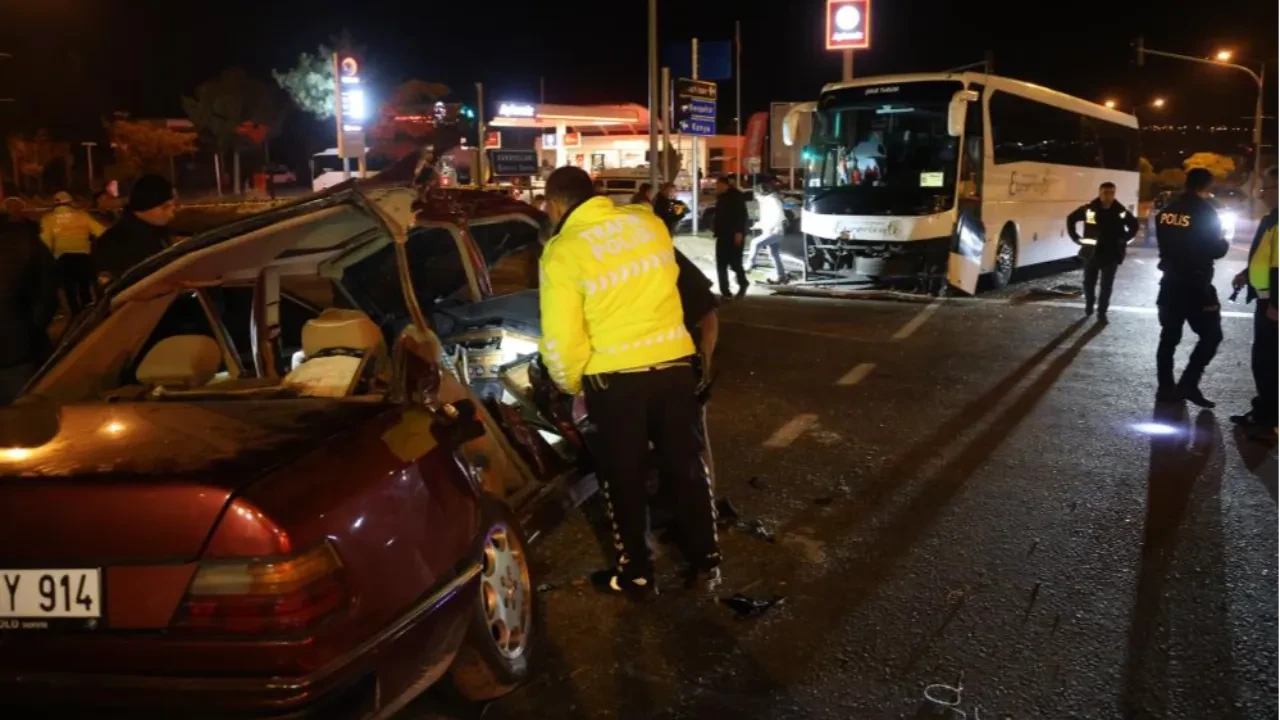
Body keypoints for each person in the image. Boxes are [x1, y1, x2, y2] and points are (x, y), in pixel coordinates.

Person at [538, 166, 722, 598]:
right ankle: (707, 561)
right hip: (673, 366)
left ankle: (637, 574)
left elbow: (562, 338)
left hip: (616, 381)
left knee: (624, 478)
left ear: (554, 205)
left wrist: (570, 384)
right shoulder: (647, 223)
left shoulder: (562, 252)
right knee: (686, 467)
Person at [1154, 168, 1229, 407]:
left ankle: (1165, 388)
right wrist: (1224, 241)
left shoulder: (1166, 211)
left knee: (1169, 338)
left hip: (1170, 283)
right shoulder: (1205, 213)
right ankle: (1188, 383)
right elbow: (1215, 249)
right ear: (1206, 186)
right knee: (1212, 336)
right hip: (1196, 285)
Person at [1230, 167, 1280, 435]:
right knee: (1265, 362)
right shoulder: (1273, 219)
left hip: (1273, 306)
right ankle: (1264, 411)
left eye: (1266, 188)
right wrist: (1247, 273)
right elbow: (1266, 257)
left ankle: (1267, 418)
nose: (1261, 195)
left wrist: (1277, 305)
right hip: (1266, 301)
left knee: (1267, 363)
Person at [0, 221, 59, 404]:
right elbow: (47, 294)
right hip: (16, 350)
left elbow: (46, 294)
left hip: (15, 353)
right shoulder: (22, 239)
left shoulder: (20, 240)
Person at [1066, 182, 1140, 323]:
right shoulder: (1089, 209)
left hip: (1111, 254)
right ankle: (1089, 305)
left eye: (1111, 193)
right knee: (1088, 284)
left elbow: (1134, 225)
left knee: (1106, 286)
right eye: (1105, 192)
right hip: (1091, 253)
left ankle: (1102, 313)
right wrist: (1075, 238)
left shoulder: (1120, 211)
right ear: (1100, 193)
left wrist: (1124, 239)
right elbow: (1071, 218)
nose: (1108, 196)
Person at [91, 174, 177, 286]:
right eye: (165, 207)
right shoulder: (112, 243)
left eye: (173, 206)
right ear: (146, 205)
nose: (171, 215)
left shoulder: (159, 232)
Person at [40, 191, 107, 317]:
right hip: (83, 255)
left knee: (69, 286)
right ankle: (87, 310)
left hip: (62, 256)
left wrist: (47, 258)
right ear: (71, 202)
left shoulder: (48, 218)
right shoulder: (82, 215)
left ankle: (75, 312)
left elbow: (46, 240)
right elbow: (101, 231)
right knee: (84, 284)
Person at [712, 176, 749, 299]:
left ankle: (743, 282)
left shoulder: (736, 196)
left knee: (735, 262)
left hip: (733, 235)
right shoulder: (721, 197)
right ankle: (725, 291)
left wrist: (739, 232)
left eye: (719, 186)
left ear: (726, 185)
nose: (717, 188)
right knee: (721, 264)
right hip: (722, 234)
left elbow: (741, 215)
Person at [747, 182, 788, 284]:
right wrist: (757, 225)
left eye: (756, 195)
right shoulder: (766, 202)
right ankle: (781, 276)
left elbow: (779, 216)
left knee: (755, 243)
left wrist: (771, 227)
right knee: (774, 254)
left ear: (760, 193)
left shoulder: (772, 200)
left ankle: (749, 266)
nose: (756, 198)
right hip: (771, 231)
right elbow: (766, 219)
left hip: (775, 231)